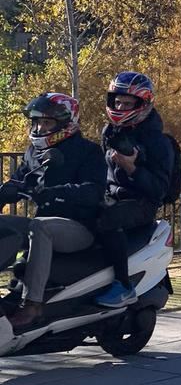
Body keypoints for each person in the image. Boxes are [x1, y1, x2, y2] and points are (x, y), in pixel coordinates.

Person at [0, 93, 106, 330]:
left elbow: (93, 191)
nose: (39, 127)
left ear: (65, 123)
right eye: (36, 122)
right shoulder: (33, 152)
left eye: (46, 122)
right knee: (5, 225)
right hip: (45, 223)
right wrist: (6, 192)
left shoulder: (88, 151)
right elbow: (20, 181)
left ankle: (32, 305)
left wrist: (55, 192)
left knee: (40, 226)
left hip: (79, 227)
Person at [95, 71, 172, 308]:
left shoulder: (158, 141)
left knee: (106, 221)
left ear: (143, 103)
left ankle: (123, 285)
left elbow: (159, 189)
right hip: (111, 197)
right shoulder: (110, 132)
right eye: (117, 101)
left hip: (142, 203)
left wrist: (132, 170)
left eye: (127, 103)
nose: (120, 106)